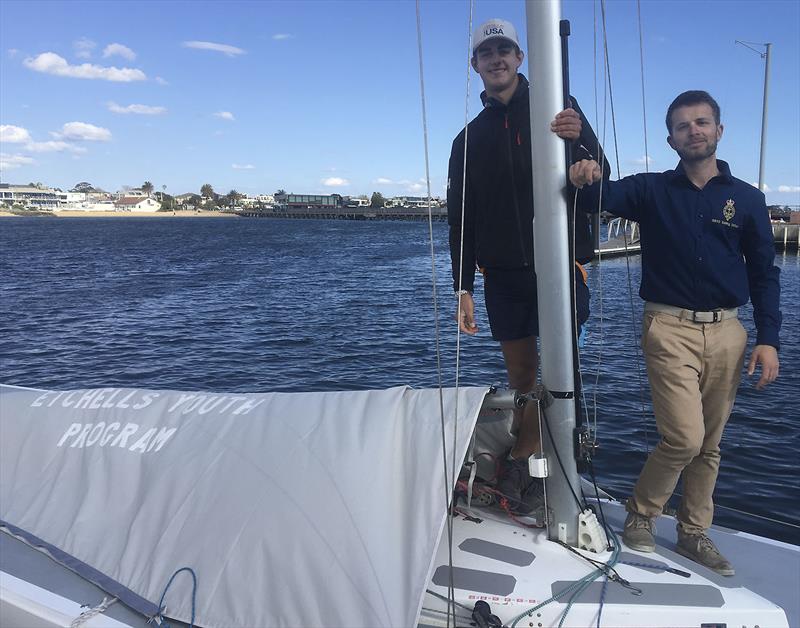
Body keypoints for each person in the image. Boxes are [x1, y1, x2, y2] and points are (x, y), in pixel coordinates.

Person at [569, 90, 781, 576]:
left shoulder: (747, 199)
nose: (694, 131)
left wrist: (769, 338)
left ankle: (693, 532)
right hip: (668, 327)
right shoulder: (652, 190)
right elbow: (599, 195)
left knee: (710, 444)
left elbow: (765, 273)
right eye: (683, 126)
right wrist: (584, 173)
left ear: (719, 130)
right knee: (684, 437)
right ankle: (642, 513)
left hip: (728, 331)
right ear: (671, 139)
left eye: (702, 122)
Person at [447, 18, 607, 516]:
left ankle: (528, 453)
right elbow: (461, 218)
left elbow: (597, 170)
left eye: (505, 50)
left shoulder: (560, 109)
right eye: (486, 53)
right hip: (502, 276)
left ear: (520, 58)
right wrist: (463, 286)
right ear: (475, 65)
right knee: (521, 373)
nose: (496, 59)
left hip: (559, 266)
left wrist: (585, 160)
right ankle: (529, 450)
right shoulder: (466, 140)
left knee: (562, 368)